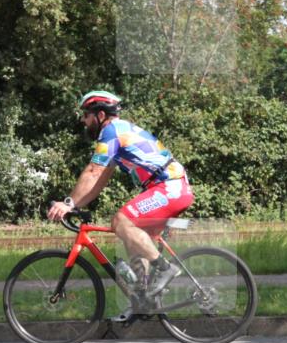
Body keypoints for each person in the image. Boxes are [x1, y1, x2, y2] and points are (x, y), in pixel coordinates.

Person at [47, 90, 194, 293]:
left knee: (120, 221)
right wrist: (76, 206)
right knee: (132, 237)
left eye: (86, 115)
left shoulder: (112, 131)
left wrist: (68, 203)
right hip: (167, 189)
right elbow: (98, 182)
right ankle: (143, 299)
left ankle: (166, 269)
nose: (83, 120)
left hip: (170, 187)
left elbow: (92, 171)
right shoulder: (117, 135)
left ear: (100, 115)